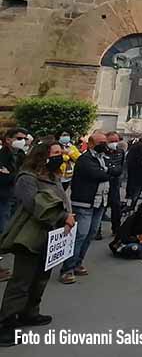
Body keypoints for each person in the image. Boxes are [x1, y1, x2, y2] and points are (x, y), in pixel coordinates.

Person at [0, 139, 74, 346]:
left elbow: (61, 199)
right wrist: (63, 216)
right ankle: (5, 323)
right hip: (30, 236)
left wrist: (68, 215)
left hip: (51, 236)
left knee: (41, 277)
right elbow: (35, 204)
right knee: (21, 282)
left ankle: (29, 312)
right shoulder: (27, 177)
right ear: (43, 155)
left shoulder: (52, 175)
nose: (61, 156)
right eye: (56, 152)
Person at [60, 131, 117, 284]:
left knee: (91, 234)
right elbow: (99, 175)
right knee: (80, 236)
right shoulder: (84, 159)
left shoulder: (104, 157)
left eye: (105, 142)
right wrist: (107, 171)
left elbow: (115, 170)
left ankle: (78, 263)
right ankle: (67, 268)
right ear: (91, 143)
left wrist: (108, 170)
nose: (104, 146)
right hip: (84, 203)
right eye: (100, 143)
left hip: (100, 202)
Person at [0, 128, 28, 282]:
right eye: (19, 138)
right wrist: (16, 176)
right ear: (8, 139)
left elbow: (27, 173)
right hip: (3, 197)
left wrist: (11, 175)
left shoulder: (21, 155)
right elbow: (2, 180)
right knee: (2, 229)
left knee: (11, 228)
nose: (22, 141)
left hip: (16, 196)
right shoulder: (1, 155)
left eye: (24, 138)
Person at [103, 131, 125, 236]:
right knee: (101, 206)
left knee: (116, 207)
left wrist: (113, 170)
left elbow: (120, 167)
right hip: (103, 182)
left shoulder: (120, 152)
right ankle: (97, 230)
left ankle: (116, 229)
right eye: (111, 141)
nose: (114, 143)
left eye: (116, 141)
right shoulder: (102, 152)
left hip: (115, 182)